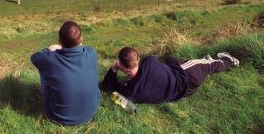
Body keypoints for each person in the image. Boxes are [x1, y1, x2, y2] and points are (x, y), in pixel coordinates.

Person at [101, 47, 239, 104]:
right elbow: (160, 67)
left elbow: (107, 86)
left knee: (173, 61)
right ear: (138, 59)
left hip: (184, 92)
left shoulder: (131, 92)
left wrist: (114, 68)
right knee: (209, 65)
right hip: (187, 76)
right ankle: (229, 60)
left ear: (123, 68)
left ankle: (204, 61)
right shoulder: (149, 61)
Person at [31, 21, 100, 126]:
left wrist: (50, 49)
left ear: (60, 41)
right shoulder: (92, 52)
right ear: (81, 39)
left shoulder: (50, 59)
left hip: (58, 116)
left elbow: (34, 58)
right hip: (91, 112)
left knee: (44, 67)